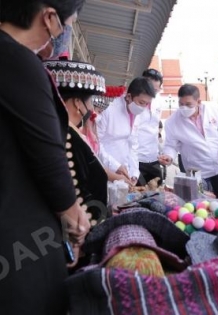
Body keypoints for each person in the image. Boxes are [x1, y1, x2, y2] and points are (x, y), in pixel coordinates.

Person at [0, 1, 90, 314]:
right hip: (18, 235)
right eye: (68, 24)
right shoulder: (17, 60)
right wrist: (75, 220)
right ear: (49, 18)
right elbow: (47, 154)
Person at [44, 58, 113, 225]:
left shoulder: (64, 132)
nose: (91, 108)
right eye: (90, 101)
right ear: (77, 103)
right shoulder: (66, 138)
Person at [159, 84, 218, 199]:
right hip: (197, 172)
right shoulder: (172, 121)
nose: (184, 108)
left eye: (188, 104)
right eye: (181, 104)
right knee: (201, 204)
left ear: (199, 101)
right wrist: (168, 156)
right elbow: (171, 145)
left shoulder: (213, 109)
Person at [97, 77, 156, 186]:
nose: (143, 107)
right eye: (141, 102)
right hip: (103, 168)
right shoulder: (109, 109)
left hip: (124, 171)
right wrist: (115, 165)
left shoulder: (137, 113)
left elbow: (132, 145)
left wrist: (134, 172)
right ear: (129, 96)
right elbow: (95, 144)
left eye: (146, 104)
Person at [135, 68, 165, 186]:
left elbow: (155, 130)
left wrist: (161, 152)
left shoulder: (159, 102)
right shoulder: (133, 102)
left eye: (156, 91)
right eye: (149, 89)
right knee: (136, 195)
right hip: (135, 159)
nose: (152, 94)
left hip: (153, 158)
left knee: (158, 194)